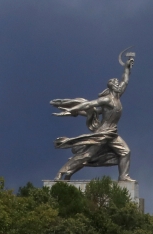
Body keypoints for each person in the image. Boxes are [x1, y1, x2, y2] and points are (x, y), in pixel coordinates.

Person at [50, 49, 135, 181]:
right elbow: (88, 105)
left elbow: (125, 81)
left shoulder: (117, 97)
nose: (119, 85)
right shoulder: (106, 99)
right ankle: (62, 173)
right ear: (111, 87)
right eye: (116, 84)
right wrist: (72, 110)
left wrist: (127, 68)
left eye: (118, 84)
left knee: (125, 152)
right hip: (102, 133)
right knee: (87, 155)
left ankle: (123, 176)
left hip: (112, 133)